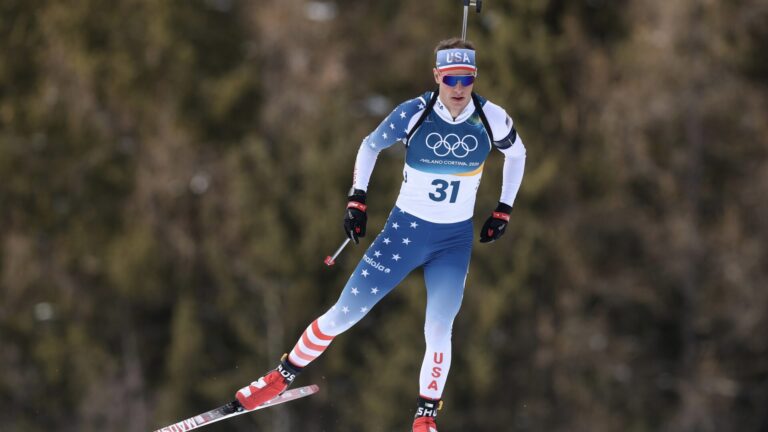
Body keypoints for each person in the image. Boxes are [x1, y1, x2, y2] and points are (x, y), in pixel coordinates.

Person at [235, 37, 526, 432]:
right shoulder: (415, 113)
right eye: (451, 78)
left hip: (452, 242)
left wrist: (504, 207)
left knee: (440, 327)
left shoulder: (491, 117)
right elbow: (370, 146)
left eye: (467, 79)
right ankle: (279, 376)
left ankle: (425, 418)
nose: (459, 89)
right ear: (437, 75)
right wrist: (357, 199)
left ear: (475, 78)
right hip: (404, 233)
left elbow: (517, 153)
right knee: (344, 314)